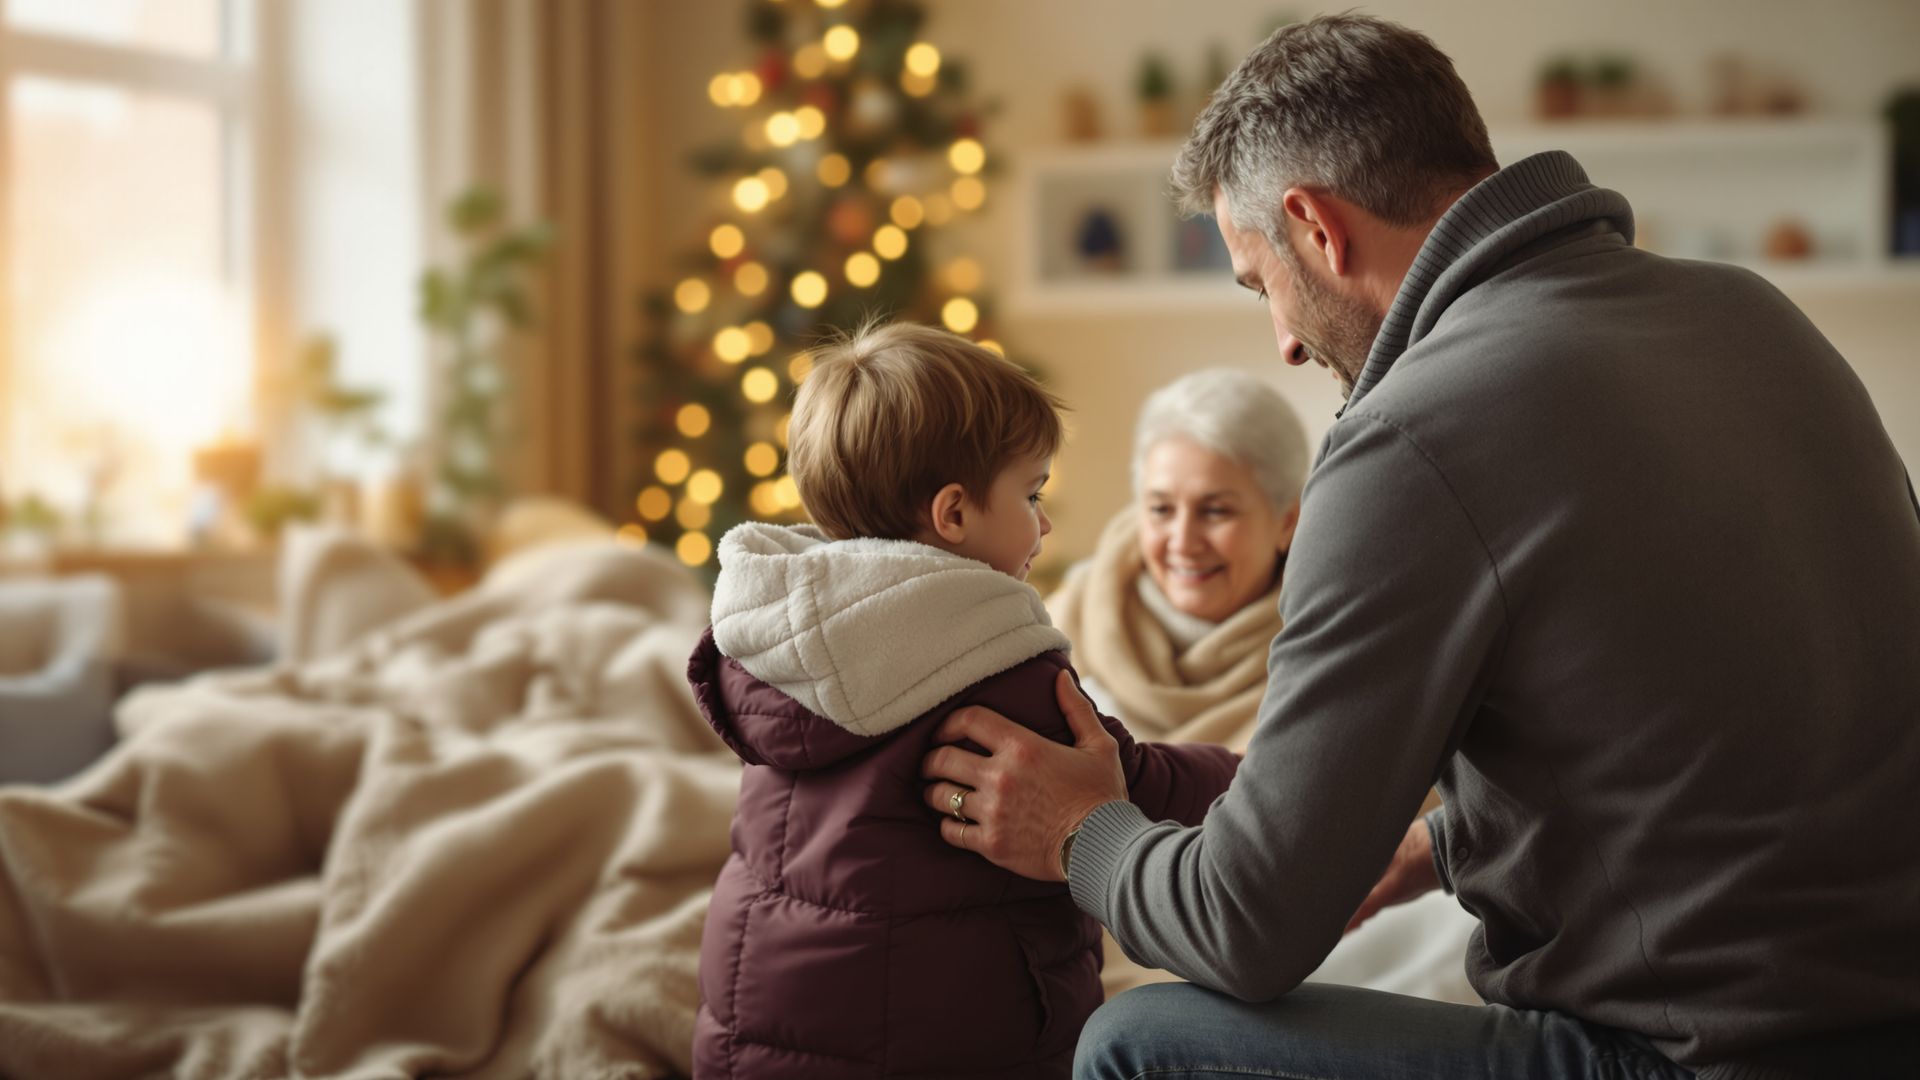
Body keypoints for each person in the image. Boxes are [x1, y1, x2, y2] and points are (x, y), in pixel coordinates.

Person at [918, 14, 1920, 1080]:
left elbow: (1241, 931)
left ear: (1315, 228)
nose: (1287, 342)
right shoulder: (1756, 317)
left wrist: (1080, 828)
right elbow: (1712, 725)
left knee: (1136, 1043)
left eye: (1261, 285)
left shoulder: (1410, 436)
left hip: (1691, 1059)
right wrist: (1436, 844)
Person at [686, 322, 1239, 1078]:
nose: (1044, 523)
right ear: (952, 515)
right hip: (945, 1041)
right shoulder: (994, 665)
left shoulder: (782, 649)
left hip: (751, 1038)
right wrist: (1254, 774)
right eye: (1031, 493)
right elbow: (1125, 780)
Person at [1051, 368, 1479, 1004]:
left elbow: (1387, 822)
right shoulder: (1065, 627)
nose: (1183, 541)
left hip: (1287, 922)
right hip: (1111, 910)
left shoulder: (1347, 631)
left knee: (1457, 929)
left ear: (1287, 522)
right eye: (1161, 508)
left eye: (1217, 510)